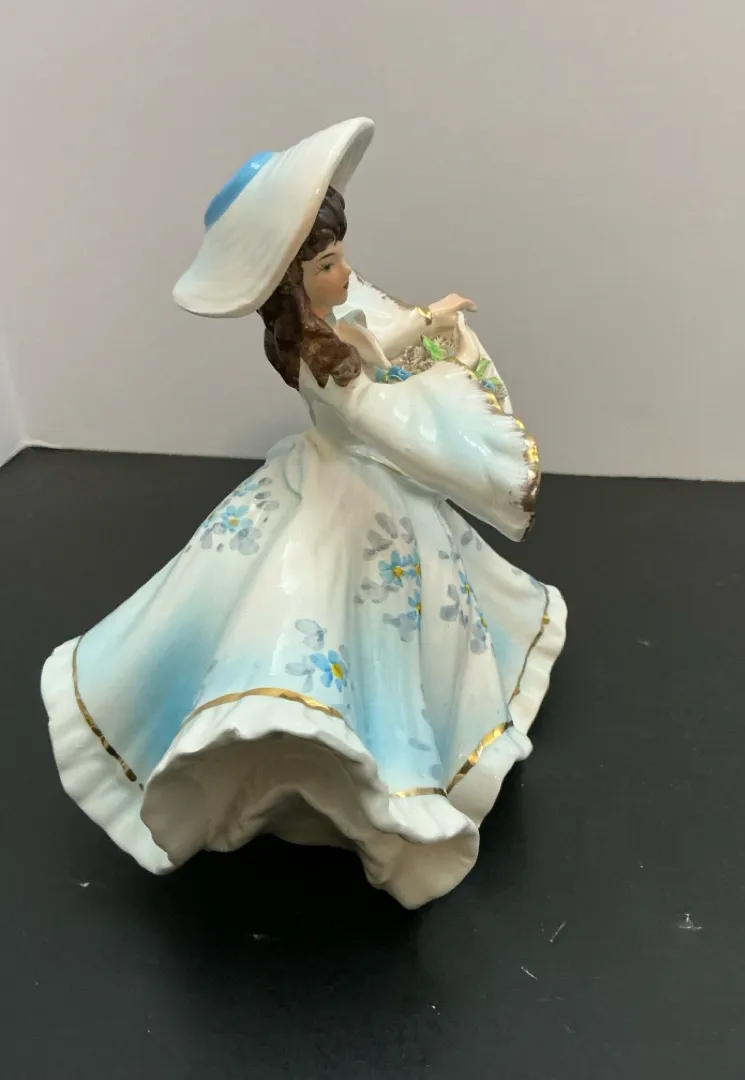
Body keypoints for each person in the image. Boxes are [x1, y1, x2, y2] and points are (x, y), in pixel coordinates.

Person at [41, 117, 566, 908]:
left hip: (352, 477)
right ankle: (328, 760)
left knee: (429, 602)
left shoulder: (329, 327)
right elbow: (396, 424)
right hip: (349, 486)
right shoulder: (321, 364)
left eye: (340, 256)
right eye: (327, 264)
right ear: (290, 282)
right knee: (310, 606)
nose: (345, 271)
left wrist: (431, 319)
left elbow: (380, 340)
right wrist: (480, 466)